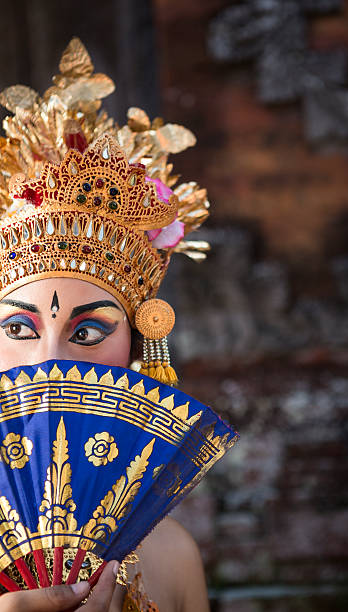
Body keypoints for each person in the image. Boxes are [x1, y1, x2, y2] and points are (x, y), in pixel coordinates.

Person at [0, 37, 215, 612]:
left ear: (140, 343)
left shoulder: (172, 558)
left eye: (88, 332)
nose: (49, 362)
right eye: (18, 329)